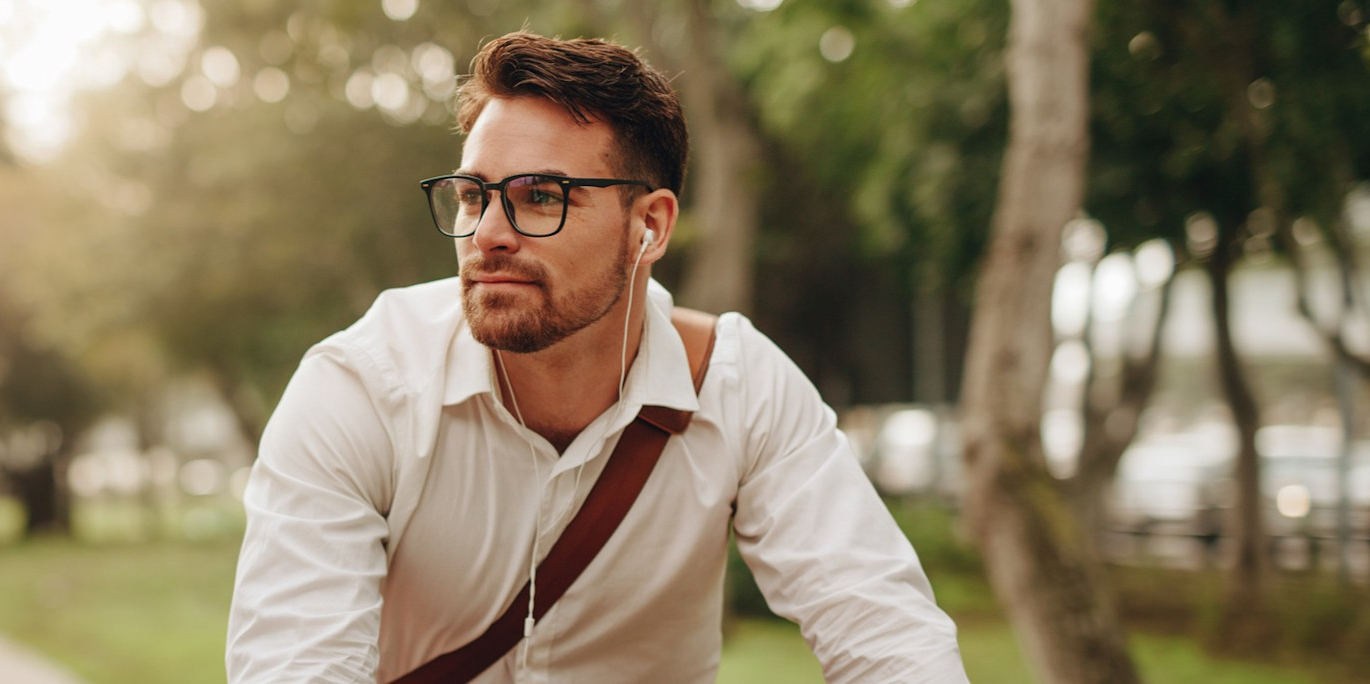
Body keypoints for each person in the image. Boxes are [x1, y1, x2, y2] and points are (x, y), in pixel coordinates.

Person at [227, 31, 967, 683]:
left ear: (649, 226)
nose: (487, 233)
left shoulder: (739, 387)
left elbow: (887, 637)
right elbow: (295, 665)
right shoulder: (360, 387)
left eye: (540, 196)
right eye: (470, 196)